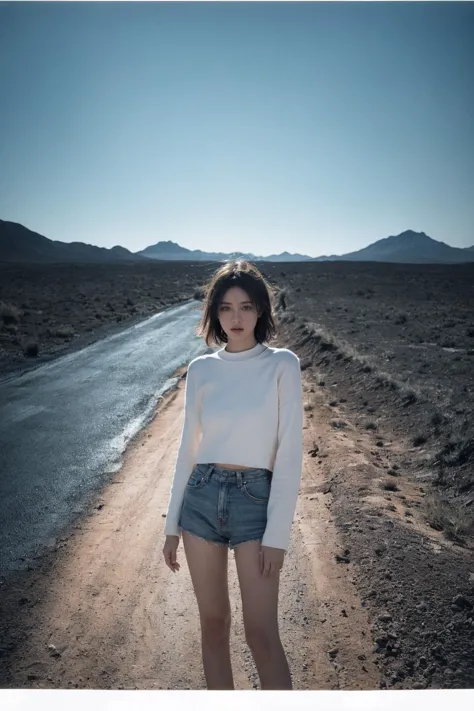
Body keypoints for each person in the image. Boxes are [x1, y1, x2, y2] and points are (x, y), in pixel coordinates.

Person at [162, 259, 303, 690]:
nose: (236, 317)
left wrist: (277, 535)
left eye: (245, 306)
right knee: (213, 625)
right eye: (225, 308)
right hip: (201, 498)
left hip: (255, 503)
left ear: (261, 310)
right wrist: (171, 526)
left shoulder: (282, 364)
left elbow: (291, 451)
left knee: (261, 634)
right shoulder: (202, 369)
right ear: (215, 314)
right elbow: (188, 448)